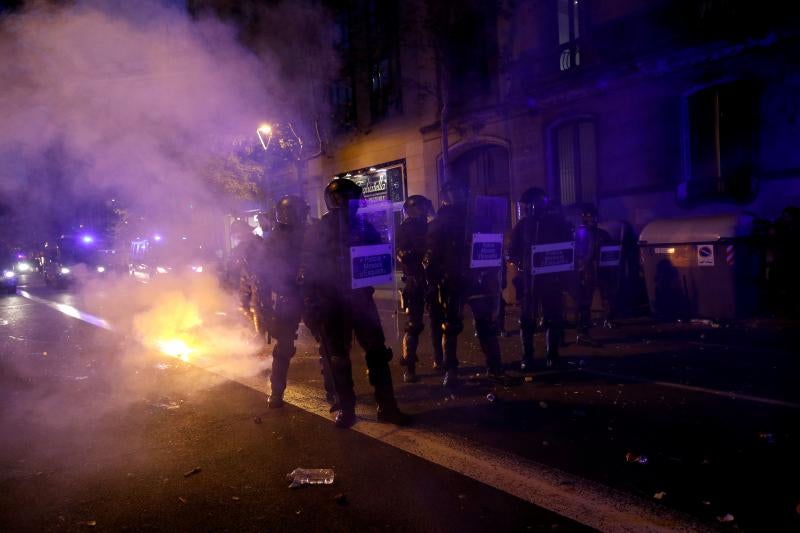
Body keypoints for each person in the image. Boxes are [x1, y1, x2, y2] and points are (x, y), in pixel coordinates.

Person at [302, 178, 411, 428]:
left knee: (376, 353)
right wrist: (312, 303)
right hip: (333, 301)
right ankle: (348, 408)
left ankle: (383, 407)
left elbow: (380, 258)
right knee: (340, 357)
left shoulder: (363, 227)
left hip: (358, 298)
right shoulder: (319, 230)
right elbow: (308, 270)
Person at [424, 180, 505, 388]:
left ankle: (492, 367)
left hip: (474, 279)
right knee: (451, 327)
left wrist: (493, 275)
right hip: (454, 280)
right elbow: (431, 256)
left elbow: (492, 246)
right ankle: (452, 369)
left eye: (459, 191)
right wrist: (434, 281)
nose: (456, 196)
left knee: (483, 324)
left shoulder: (477, 219)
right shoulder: (440, 223)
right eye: (453, 192)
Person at [262, 195, 336, 408]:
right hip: (298, 295)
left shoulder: (281, 238)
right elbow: (267, 273)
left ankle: (278, 394)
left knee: (307, 344)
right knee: (321, 343)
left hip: (303, 295)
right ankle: (332, 393)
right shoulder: (286, 237)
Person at [508, 187, 573, 370]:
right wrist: (522, 265)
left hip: (551, 279)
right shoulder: (523, 226)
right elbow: (512, 251)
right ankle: (527, 357)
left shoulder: (558, 223)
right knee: (527, 319)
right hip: (529, 280)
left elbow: (568, 248)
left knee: (552, 317)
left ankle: (552, 355)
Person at [396, 194, 442, 383]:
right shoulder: (405, 230)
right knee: (414, 325)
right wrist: (422, 254)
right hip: (415, 280)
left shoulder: (431, 227)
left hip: (433, 279)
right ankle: (410, 367)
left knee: (438, 321)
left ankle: (440, 360)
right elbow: (402, 255)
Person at [574, 203, 612, 345]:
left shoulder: (601, 234)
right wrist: (581, 268)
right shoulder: (579, 234)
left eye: (593, 215)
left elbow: (610, 250)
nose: (592, 218)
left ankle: (607, 319)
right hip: (585, 273)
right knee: (584, 303)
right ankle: (582, 333)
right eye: (589, 215)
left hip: (600, 271)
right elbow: (576, 255)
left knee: (606, 297)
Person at [229, 219, 269, 345]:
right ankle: (255, 329)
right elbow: (235, 263)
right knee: (242, 305)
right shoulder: (240, 247)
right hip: (245, 277)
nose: (236, 235)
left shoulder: (257, 242)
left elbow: (264, 260)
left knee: (256, 306)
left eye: (237, 232)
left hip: (258, 277)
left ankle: (260, 334)